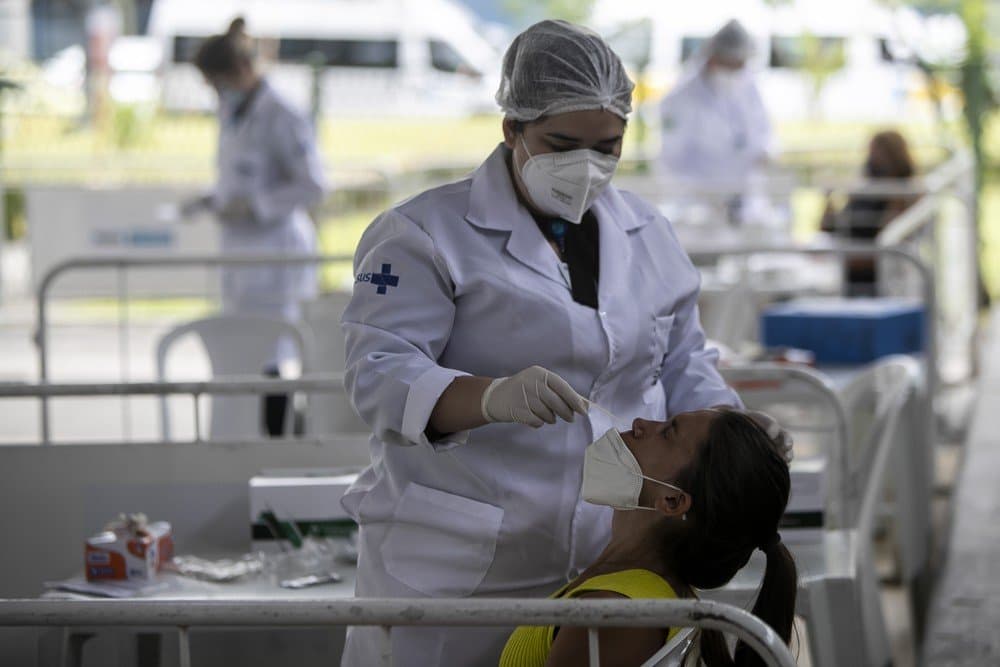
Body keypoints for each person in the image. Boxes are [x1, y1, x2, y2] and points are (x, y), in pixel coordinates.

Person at [339, 20, 744, 666]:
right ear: (512, 129)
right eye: (562, 144)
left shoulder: (647, 232)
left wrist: (731, 430)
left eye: (608, 147)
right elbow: (377, 371)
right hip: (456, 566)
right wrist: (486, 397)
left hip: (601, 555)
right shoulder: (423, 234)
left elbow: (683, 358)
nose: (586, 166)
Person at [499, 408, 797, 666]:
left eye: (667, 432)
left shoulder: (611, 616)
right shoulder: (640, 593)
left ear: (672, 501)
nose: (641, 423)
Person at [184, 18, 326, 434]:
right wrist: (214, 200)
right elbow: (237, 176)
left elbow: (314, 185)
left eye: (219, 82)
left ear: (242, 69)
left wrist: (256, 207)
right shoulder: (233, 110)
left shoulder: (282, 114)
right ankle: (252, 436)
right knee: (242, 352)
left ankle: (277, 439)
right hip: (242, 253)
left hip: (275, 251)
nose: (217, 91)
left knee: (273, 352)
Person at [659, 20, 773, 221]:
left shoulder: (746, 86)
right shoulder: (681, 98)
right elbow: (672, 156)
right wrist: (700, 194)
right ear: (713, 59)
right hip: (695, 203)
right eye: (733, 64)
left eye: (741, 64)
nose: (738, 70)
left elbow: (762, 129)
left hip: (744, 196)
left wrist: (765, 151)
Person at [821, 130, 917, 296]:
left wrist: (846, 259)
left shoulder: (904, 194)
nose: (872, 160)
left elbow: (886, 249)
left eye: (879, 154)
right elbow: (827, 227)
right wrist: (828, 202)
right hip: (846, 263)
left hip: (873, 276)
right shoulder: (865, 191)